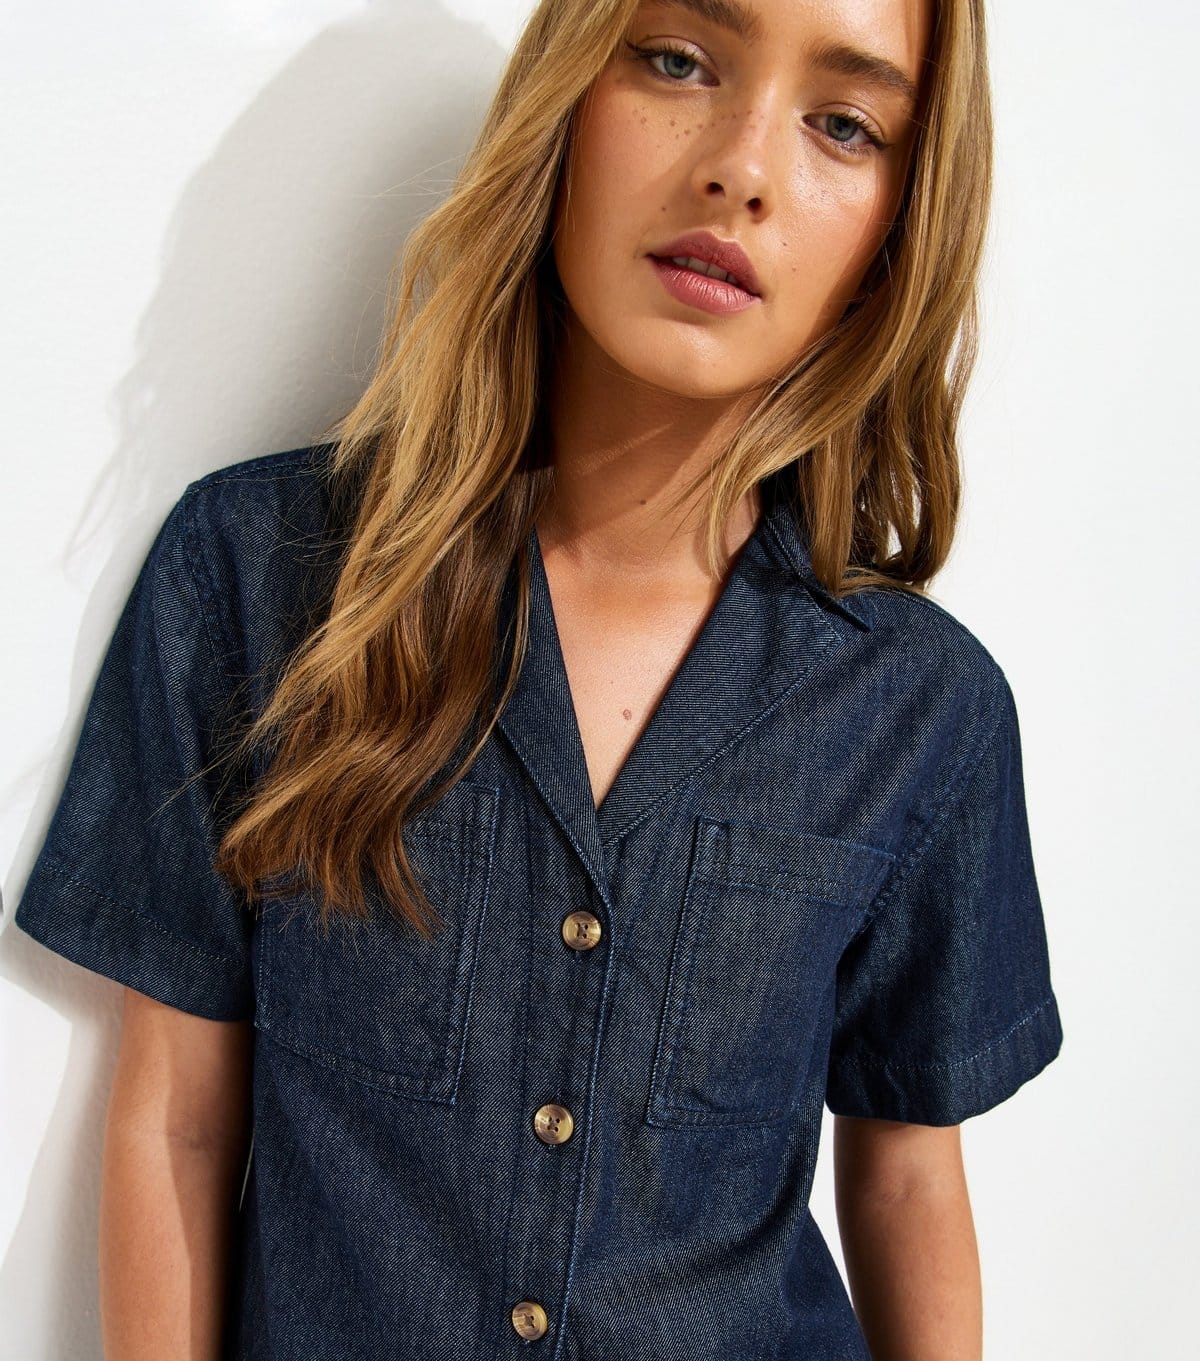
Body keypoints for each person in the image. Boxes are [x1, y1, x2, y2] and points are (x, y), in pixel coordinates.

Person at [14, 0, 1063, 1356]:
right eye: (678, 61)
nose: (742, 168)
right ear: (564, 104)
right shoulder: (258, 582)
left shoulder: (924, 710)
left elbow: (909, 1177)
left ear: (895, 235)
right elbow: (176, 1114)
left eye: (844, 126)